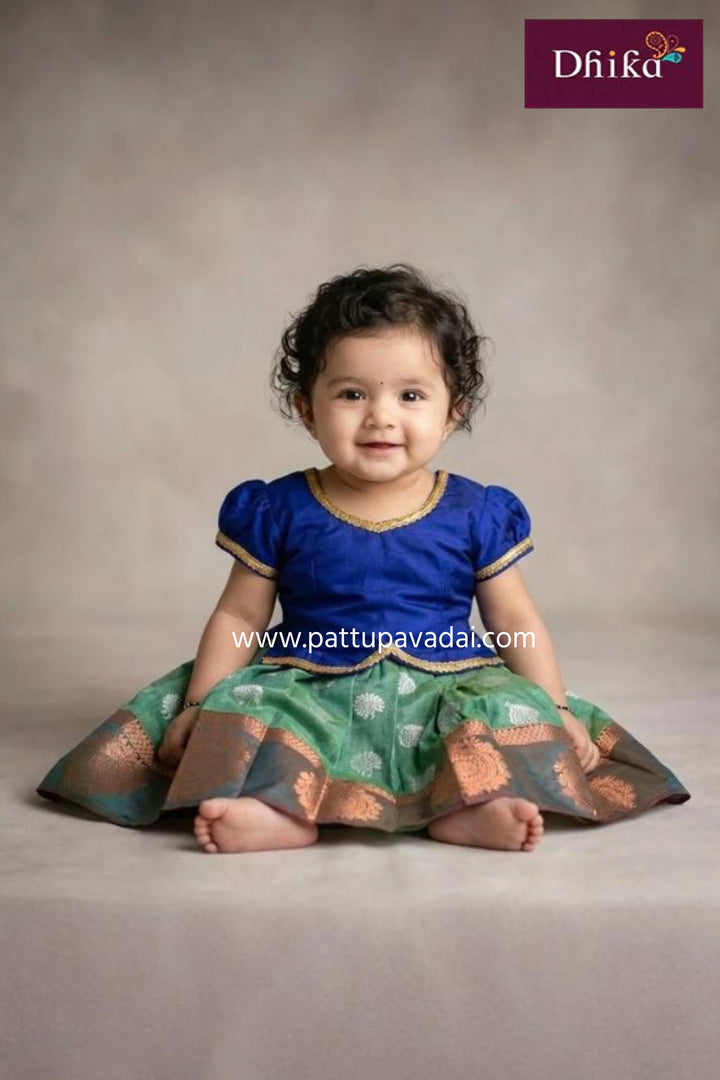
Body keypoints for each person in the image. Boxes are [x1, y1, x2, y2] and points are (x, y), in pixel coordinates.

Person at [36, 263, 690, 853]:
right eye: (351, 394)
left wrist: (558, 708)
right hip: (307, 676)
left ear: (453, 412)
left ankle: (474, 804)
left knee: (495, 715)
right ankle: (275, 812)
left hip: (445, 681)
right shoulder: (280, 507)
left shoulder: (476, 511)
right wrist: (202, 700)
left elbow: (515, 615)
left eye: (411, 396)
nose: (380, 416)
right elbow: (240, 615)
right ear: (306, 407)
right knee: (259, 716)